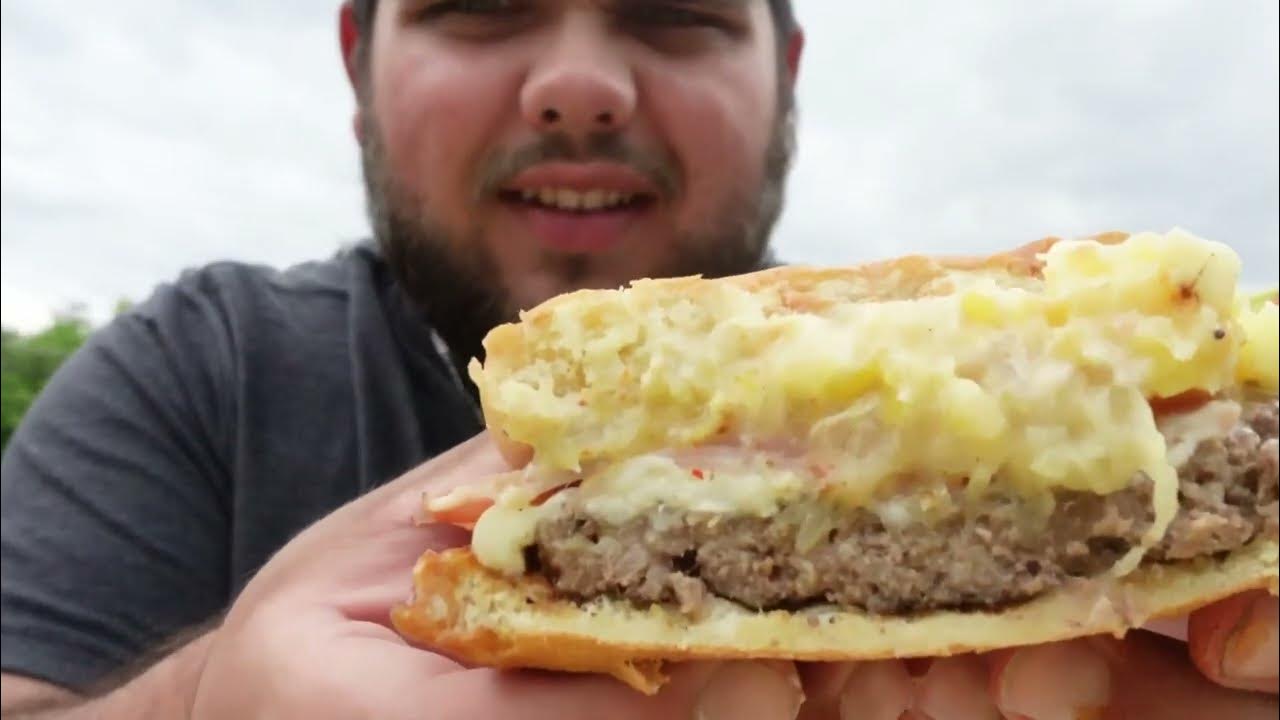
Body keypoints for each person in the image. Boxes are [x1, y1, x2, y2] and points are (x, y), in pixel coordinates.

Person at [1, 1, 1275, 718]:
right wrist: (200, 706)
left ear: (781, 76)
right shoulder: (197, 366)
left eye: (673, 17)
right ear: (358, 61)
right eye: (480, 9)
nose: (578, 87)